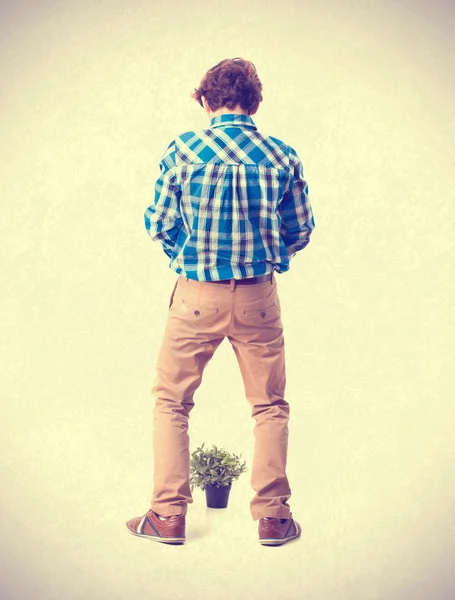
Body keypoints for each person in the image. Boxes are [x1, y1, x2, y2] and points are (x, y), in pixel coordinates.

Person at [126, 57, 315, 546]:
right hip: (259, 296)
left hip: (195, 295)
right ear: (255, 102)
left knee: (171, 402)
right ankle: (273, 518)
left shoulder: (183, 150)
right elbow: (301, 230)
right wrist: (269, 257)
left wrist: (190, 255)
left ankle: (167, 516)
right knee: (269, 405)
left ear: (205, 99)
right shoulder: (281, 155)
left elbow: (158, 223)